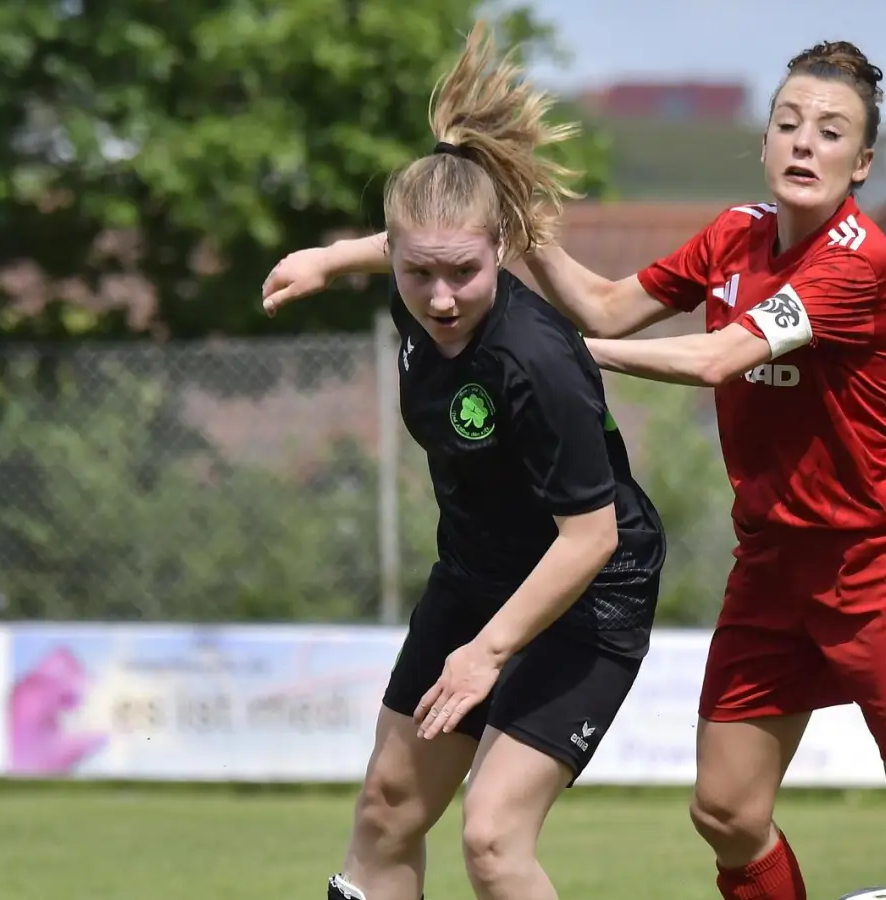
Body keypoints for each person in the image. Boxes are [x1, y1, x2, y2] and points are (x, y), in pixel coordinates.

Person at [263, 38, 886, 900]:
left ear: (863, 162)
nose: (803, 143)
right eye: (787, 123)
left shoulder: (860, 261)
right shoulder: (733, 237)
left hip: (881, 569)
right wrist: (518, 243)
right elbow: (603, 302)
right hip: (774, 567)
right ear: (762, 142)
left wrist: (560, 358)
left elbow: (719, 357)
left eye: (830, 132)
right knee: (725, 813)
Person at [262, 22, 666, 900]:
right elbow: (413, 244)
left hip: (589, 590)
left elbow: (589, 537)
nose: (441, 298)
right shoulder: (425, 280)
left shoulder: (537, 362)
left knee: (490, 838)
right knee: (387, 808)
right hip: (480, 574)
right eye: (418, 275)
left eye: (463, 274)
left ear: (500, 252)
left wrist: (487, 652)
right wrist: (329, 260)